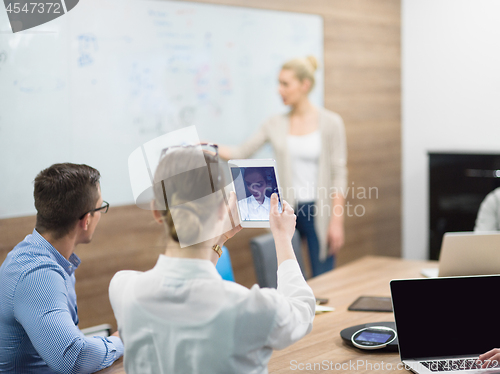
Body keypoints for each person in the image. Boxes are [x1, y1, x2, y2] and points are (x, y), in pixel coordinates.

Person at [108, 145, 315, 374]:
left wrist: (219, 240)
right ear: (220, 209)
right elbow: (301, 310)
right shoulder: (250, 307)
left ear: (157, 212)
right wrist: (283, 237)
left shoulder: (122, 289)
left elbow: (190, 284)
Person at [219, 56, 347, 276]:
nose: (280, 90)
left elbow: (339, 173)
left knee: (325, 277)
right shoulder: (274, 124)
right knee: (289, 274)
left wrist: (337, 221)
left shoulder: (331, 122)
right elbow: (240, 152)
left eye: (285, 84)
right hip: (287, 210)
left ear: (304, 85)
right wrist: (209, 148)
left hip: (320, 211)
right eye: (279, 83)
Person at [0, 163, 123, 373]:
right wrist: (123, 339)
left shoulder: (38, 255)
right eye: (101, 207)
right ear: (86, 220)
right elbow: (74, 359)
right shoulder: (37, 274)